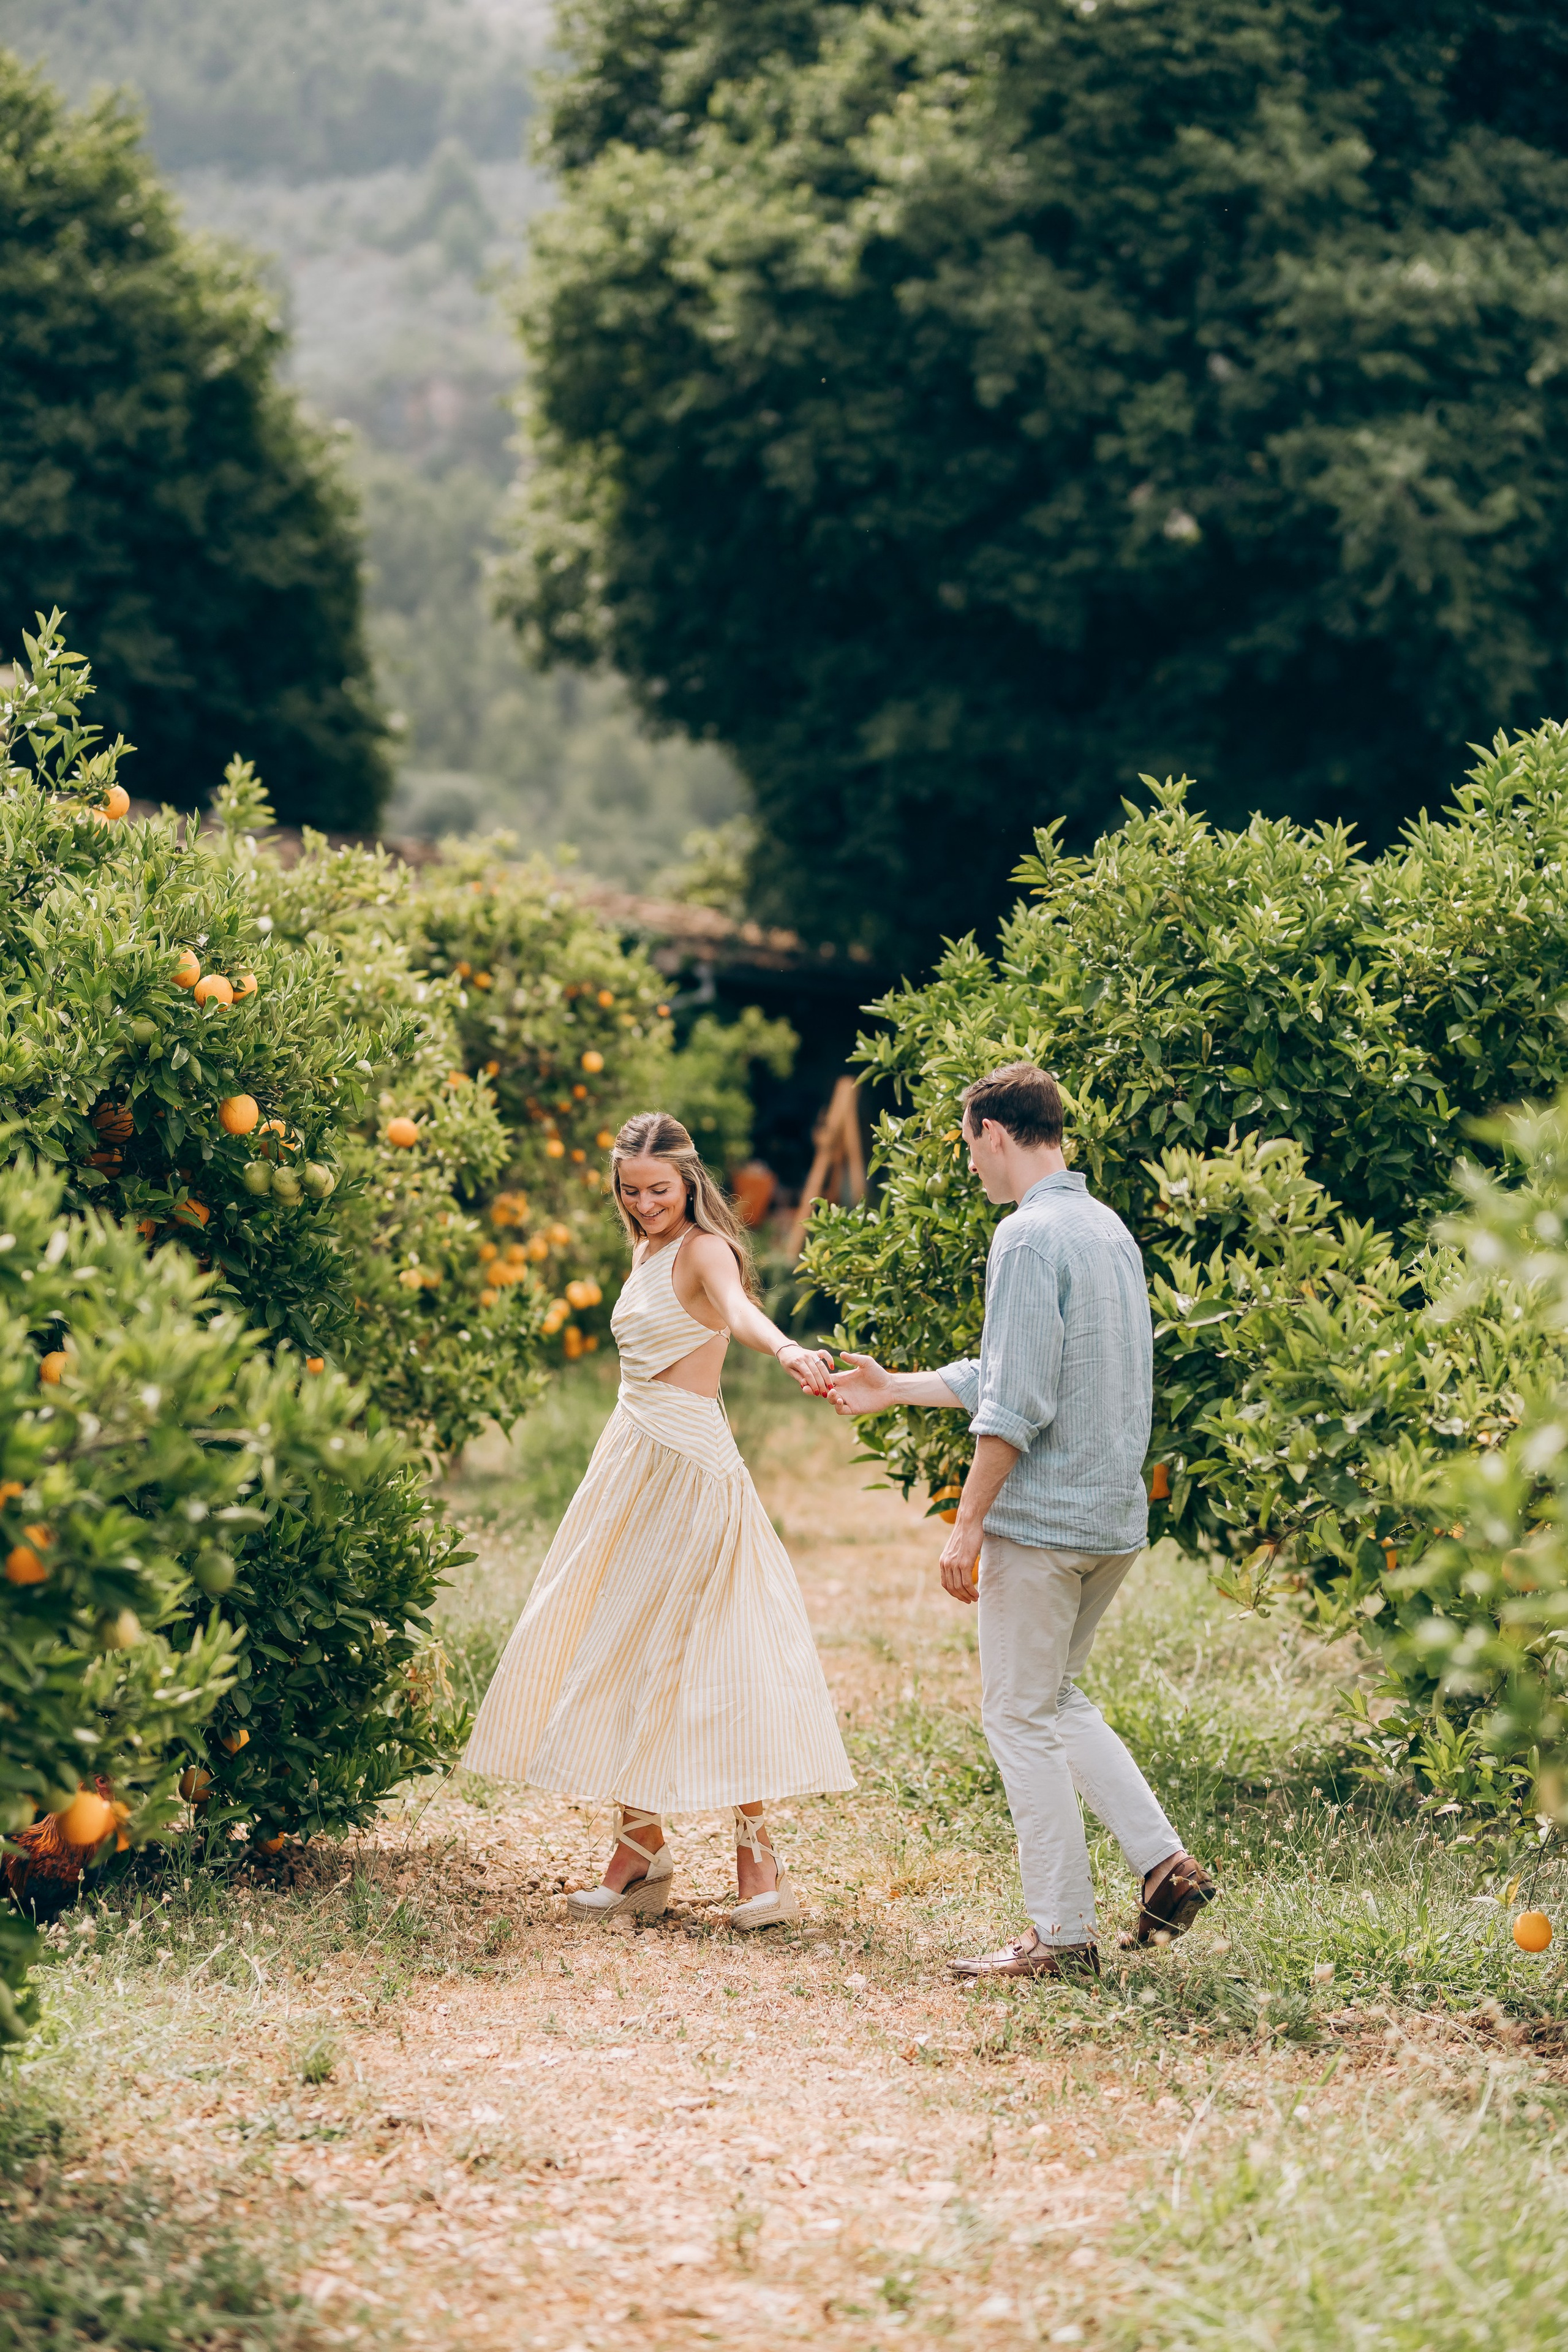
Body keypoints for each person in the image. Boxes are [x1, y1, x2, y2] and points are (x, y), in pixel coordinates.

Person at [828, 1061, 1214, 1979]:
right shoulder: (1103, 1228)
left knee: (1016, 1717)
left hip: (1042, 1526)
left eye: (969, 1146)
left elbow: (1016, 1404)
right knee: (1054, 1698)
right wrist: (896, 1389)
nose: (969, 1167)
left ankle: (1061, 1937)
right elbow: (1016, 1370)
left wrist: (967, 1526)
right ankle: (1165, 1867)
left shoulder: (1028, 1237)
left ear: (995, 1133)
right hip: (1110, 1519)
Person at [465, 1111, 853, 1931]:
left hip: (692, 1466)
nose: (645, 1205)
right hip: (631, 1461)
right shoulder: (642, 1247)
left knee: (711, 1654)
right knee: (618, 1641)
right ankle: (640, 1851)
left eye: (661, 1190)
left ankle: (759, 1862)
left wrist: (784, 1350)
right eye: (631, 1191)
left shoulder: (704, 1248)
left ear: (690, 1182)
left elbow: (738, 1312)